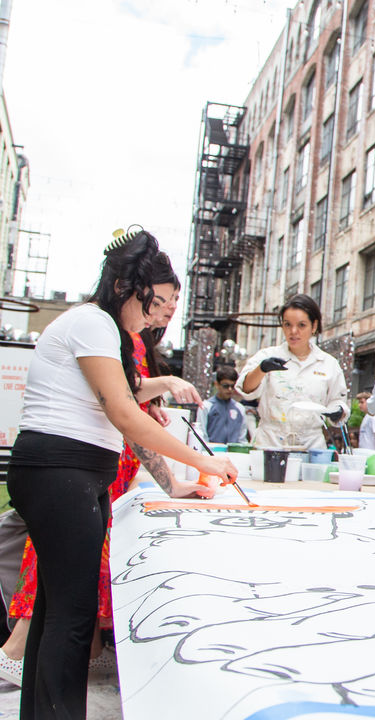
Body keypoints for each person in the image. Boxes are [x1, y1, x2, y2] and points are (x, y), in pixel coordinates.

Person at [5, 228, 236, 718]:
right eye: (157, 303)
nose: (159, 315)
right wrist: (203, 461)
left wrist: (174, 479)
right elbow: (125, 412)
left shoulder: (106, 333)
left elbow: (128, 397)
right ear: (125, 289)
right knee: (72, 617)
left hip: (71, 472)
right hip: (60, 471)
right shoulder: (93, 324)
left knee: (55, 610)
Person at [236, 294, 349, 450]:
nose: (293, 331)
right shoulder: (267, 356)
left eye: (301, 325)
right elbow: (247, 389)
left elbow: (338, 400)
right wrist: (262, 369)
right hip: (271, 443)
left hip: (311, 445)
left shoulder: (328, 364)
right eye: (287, 324)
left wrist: (338, 411)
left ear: (314, 326)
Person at [196, 367, 249, 444]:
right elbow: (202, 435)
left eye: (233, 386)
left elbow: (242, 438)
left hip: (233, 453)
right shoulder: (206, 406)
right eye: (225, 386)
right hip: (212, 451)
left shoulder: (240, 408)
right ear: (217, 384)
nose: (230, 389)